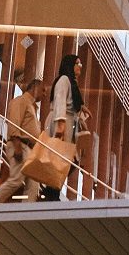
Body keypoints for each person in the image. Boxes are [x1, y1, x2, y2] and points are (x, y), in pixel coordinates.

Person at [0, 73, 45, 203]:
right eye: (43, 90)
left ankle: (26, 213)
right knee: (16, 180)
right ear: (35, 88)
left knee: (33, 185)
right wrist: (17, 146)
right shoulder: (21, 101)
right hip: (21, 144)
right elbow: (14, 123)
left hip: (30, 149)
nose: (44, 94)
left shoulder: (32, 107)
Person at [39, 54, 91, 201]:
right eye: (77, 63)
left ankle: (52, 190)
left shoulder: (71, 83)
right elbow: (60, 100)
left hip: (67, 122)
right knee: (61, 159)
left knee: (68, 160)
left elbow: (72, 103)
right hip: (61, 121)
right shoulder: (64, 80)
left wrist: (81, 114)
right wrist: (60, 125)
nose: (80, 66)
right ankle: (51, 192)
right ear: (70, 65)